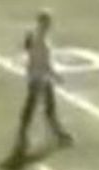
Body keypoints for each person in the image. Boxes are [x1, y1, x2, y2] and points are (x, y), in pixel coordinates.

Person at [11, 10, 73, 161]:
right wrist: (54, 75)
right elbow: (43, 62)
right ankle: (51, 133)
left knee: (40, 107)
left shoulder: (35, 37)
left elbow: (32, 56)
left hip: (37, 77)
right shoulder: (41, 41)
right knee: (39, 107)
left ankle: (52, 133)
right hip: (40, 78)